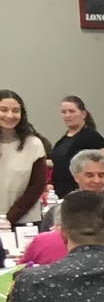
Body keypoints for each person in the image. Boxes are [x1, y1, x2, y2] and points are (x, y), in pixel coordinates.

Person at [0, 90, 50, 225]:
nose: (10, 115)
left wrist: (8, 219)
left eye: (16, 110)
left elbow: (36, 186)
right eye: (3, 110)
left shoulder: (34, 144)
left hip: (24, 221)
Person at [47, 96, 102, 199]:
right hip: (60, 191)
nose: (67, 115)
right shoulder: (63, 139)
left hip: (81, 192)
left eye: (72, 111)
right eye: (64, 112)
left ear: (83, 113)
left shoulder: (92, 137)